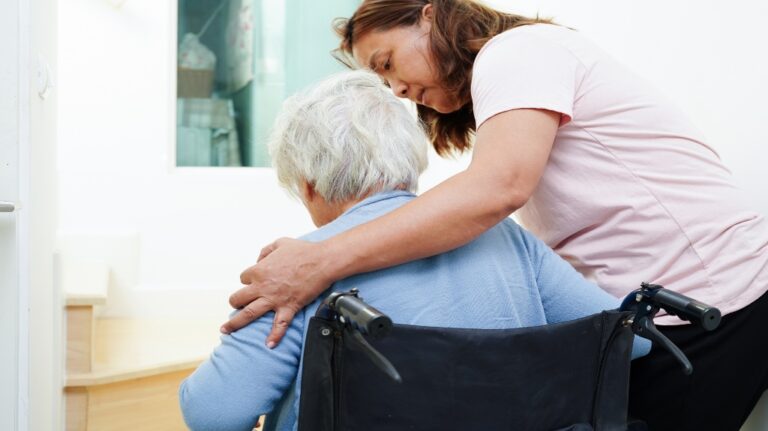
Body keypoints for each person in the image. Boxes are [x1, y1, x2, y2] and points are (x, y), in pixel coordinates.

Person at [222, 1, 768, 430]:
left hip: (710, 300)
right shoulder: (513, 82)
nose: (396, 89)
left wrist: (319, 260)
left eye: (387, 64)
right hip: (654, 310)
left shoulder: (519, 51)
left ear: (429, 13)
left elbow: (495, 190)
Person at [179, 70, 649, 431]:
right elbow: (632, 342)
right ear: (409, 158)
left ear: (309, 186)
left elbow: (214, 413)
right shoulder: (509, 239)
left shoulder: (299, 269)